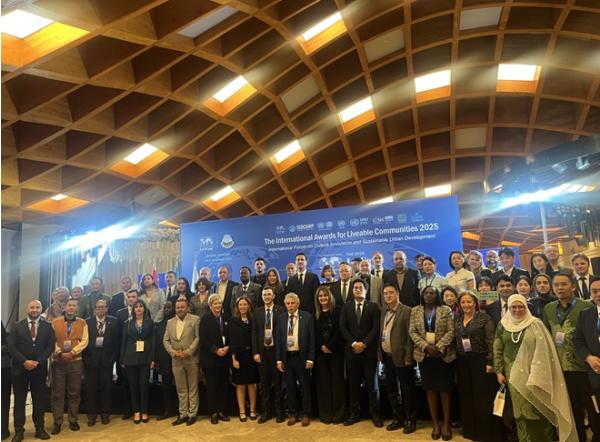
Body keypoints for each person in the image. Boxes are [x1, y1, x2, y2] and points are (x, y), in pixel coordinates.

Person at [493, 294, 576, 442]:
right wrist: (498, 371)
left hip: (535, 374)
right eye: (513, 307)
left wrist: (537, 373)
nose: (517, 310)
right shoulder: (503, 324)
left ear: (526, 307)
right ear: (508, 308)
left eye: (521, 306)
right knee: (520, 410)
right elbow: (497, 348)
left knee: (538, 408)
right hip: (512, 376)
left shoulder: (535, 324)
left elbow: (544, 350)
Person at [543, 272, 598, 442]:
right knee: (572, 409)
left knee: (593, 407)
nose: (560, 288)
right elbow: (546, 336)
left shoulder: (586, 307)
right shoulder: (548, 309)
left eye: (564, 284)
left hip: (585, 367)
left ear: (573, 286)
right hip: (562, 368)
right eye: (556, 285)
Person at [454, 291, 504, 442]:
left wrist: (490, 362)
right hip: (462, 361)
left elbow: (491, 341)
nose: (466, 305)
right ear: (459, 305)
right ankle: (470, 430)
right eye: (463, 302)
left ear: (475, 303)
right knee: (466, 395)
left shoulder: (485, 318)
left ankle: (484, 432)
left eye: (469, 301)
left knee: (482, 397)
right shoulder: (457, 319)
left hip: (481, 361)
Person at [409, 286, 455, 441]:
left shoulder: (445, 310)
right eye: (426, 293)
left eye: (432, 293)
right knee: (430, 389)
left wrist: (438, 347)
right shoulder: (415, 310)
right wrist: (426, 347)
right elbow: (412, 331)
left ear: (437, 295)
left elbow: (451, 331)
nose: (428, 295)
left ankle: (446, 425)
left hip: (443, 355)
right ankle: (435, 424)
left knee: (444, 390)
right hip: (425, 356)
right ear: (422, 295)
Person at [8, 300, 55, 442]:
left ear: (41, 309)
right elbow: (11, 346)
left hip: (39, 369)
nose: (34, 310)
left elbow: (50, 346)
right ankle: (19, 431)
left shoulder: (47, 326)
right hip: (19, 369)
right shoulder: (17, 326)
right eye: (32, 307)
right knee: (19, 401)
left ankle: (39, 428)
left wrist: (38, 361)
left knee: (39, 400)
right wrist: (24, 361)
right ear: (27, 309)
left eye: (37, 307)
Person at [339, 279, 382, 427]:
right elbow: (342, 327)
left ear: (366, 290)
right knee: (353, 385)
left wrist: (364, 344)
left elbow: (376, 328)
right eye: (355, 288)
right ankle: (354, 414)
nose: (357, 289)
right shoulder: (346, 306)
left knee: (372, 386)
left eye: (360, 287)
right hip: (351, 352)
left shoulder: (373, 307)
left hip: (369, 352)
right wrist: (353, 343)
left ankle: (375, 414)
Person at [378, 283, 417, 434]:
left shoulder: (407, 311)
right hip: (387, 357)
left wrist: (409, 357)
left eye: (391, 293)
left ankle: (410, 420)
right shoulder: (383, 310)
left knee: (408, 390)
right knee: (392, 390)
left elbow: (410, 337)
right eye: (385, 293)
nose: (388, 296)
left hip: (402, 358)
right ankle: (398, 418)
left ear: (397, 294)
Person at [275, 293, 315, 427]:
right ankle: (293, 414)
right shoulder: (281, 318)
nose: (290, 306)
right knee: (290, 387)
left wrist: (310, 358)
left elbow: (312, 339)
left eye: (293, 303)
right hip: (287, 357)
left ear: (298, 304)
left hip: (302, 357)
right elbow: (278, 340)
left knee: (305, 387)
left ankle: (306, 414)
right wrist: (279, 360)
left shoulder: (307, 317)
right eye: (288, 303)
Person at [50, 298, 89, 434]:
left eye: (74, 305)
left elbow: (85, 341)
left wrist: (73, 352)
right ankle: (57, 422)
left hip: (75, 361)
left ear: (77, 308)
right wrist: (59, 352)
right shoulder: (55, 322)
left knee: (74, 393)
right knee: (58, 394)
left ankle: (73, 420)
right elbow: (51, 340)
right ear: (65, 307)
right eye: (69, 305)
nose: (71, 307)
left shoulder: (83, 322)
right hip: (58, 362)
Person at [164, 299, 200, 427]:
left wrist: (188, 352)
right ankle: (183, 414)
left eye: (182, 307)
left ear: (187, 308)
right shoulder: (169, 322)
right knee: (181, 389)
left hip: (191, 359)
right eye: (177, 307)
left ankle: (192, 414)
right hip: (176, 360)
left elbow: (198, 337)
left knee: (193, 388)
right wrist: (173, 353)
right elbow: (165, 340)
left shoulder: (195, 319)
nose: (179, 309)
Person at [252, 287, 286, 423]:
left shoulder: (281, 310)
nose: (266, 297)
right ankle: (266, 412)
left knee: (278, 384)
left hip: (276, 352)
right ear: (262, 297)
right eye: (264, 294)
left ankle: (279, 412)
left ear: (274, 296)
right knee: (264, 384)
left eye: (269, 294)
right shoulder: (257, 311)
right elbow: (254, 332)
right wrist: (255, 352)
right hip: (262, 353)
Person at [83, 298, 118, 426]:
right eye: (98, 307)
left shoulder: (114, 321)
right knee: (90, 389)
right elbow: (84, 342)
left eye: (103, 307)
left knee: (106, 389)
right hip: (91, 362)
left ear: (107, 308)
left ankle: (105, 414)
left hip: (107, 361)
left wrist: (112, 359)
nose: (100, 309)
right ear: (95, 309)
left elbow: (117, 342)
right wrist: (86, 360)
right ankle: (91, 415)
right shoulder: (87, 322)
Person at [314, 286, 346, 424]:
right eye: (320, 296)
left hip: (336, 351)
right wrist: (322, 346)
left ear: (330, 296)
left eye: (325, 295)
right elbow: (314, 332)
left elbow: (340, 330)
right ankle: (326, 414)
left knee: (337, 383)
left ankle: (339, 414)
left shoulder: (338, 310)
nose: (323, 298)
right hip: (320, 353)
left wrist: (330, 346)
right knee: (323, 384)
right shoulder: (315, 313)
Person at [120, 300, 155, 424]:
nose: (139, 309)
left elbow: (153, 341)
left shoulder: (150, 322)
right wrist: (122, 359)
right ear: (133, 309)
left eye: (141, 306)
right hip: (130, 358)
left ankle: (144, 411)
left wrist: (153, 358)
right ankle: (136, 411)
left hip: (146, 357)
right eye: (136, 307)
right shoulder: (128, 323)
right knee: (133, 386)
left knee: (143, 385)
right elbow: (123, 342)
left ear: (144, 309)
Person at [574, 278, 600, 438]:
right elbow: (578, 340)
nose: (598, 294)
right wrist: (588, 357)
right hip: (595, 374)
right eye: (594, 291)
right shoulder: (585, 314)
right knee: (596, 412)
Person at [199, 294, 231, 424]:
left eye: (219, 303)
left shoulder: (227, 317)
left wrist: (228, 347)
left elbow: (231, 335)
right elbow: (203, 339)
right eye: (215, 304)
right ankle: (213, 413)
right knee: (212, 387)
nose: (217, 306)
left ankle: (221, 411)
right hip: (210, 359)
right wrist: (216, 350)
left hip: (225, 358)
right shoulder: (205, 319)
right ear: (210, 306)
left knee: (223, 386)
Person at [230, 296, 259, 422]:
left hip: (251, 355)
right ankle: (242, 411)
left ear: (249, 306)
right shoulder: (233, 321)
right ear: (237, 307)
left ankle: (252, 410)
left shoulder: (253, 320)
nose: (242, 307)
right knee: (240, 385)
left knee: (252, 384)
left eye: (245, 304)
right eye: (240, 304)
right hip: (239, 356)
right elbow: (231, 341)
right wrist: (233, 359)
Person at [154, 301, 178, 421]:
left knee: (179, 385)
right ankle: (168, 410)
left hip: (178, 357)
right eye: (165, 308)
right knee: (166, 386)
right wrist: (156, 360)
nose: (166, 310)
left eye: (169, 307)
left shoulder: (178, 322)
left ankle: (180, 409)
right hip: (164, 359)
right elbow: (157, 344)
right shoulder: (159, 325)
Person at [1, 322, 11, 441]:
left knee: (3, 402)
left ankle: (3, 430)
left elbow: (10, 350)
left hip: (3, 370)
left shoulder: (7, 336)